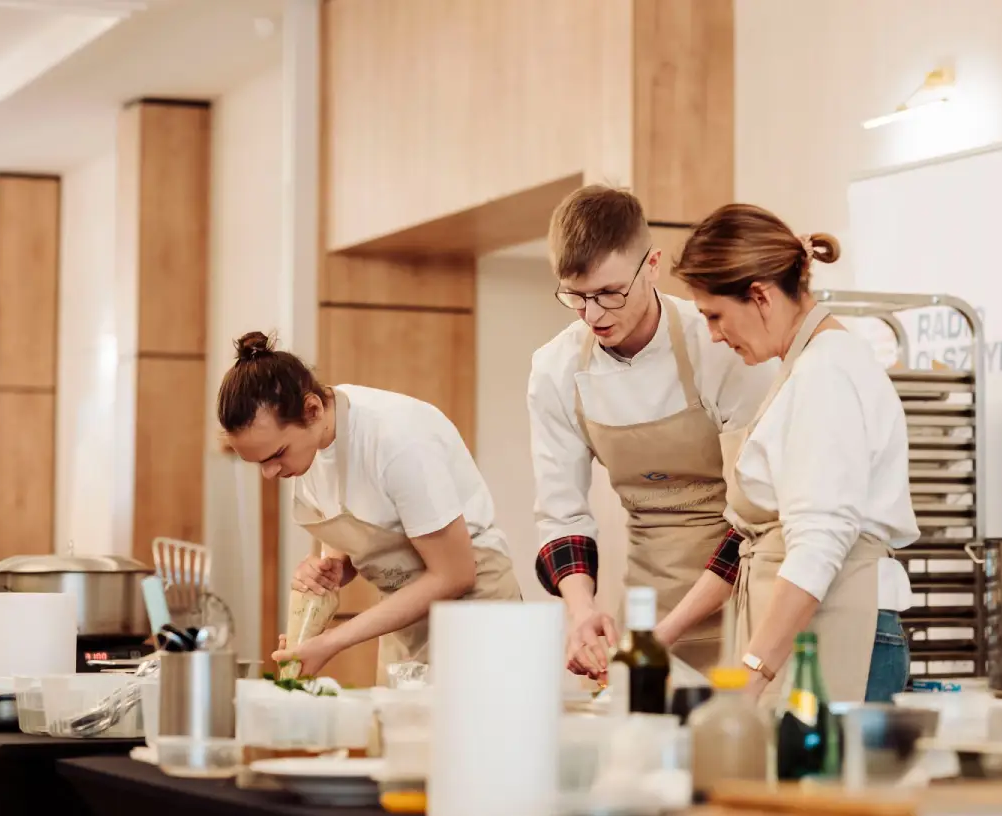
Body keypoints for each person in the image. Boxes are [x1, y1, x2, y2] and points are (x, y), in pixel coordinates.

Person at [652, 203, 918, 704]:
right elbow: (748, 538)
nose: (713, 334)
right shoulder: (807, 368)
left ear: (759, 296)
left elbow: (819, 540)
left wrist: (754, 672)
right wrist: (663, 634)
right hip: (805, 626)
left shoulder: (825, 376)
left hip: (838, 625)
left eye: (715, 315)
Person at [527, 186, 777, 677]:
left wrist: (669, 631)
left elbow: (758, 515)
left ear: (653, 264)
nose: (593, 314)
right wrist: (582, 613)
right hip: (647, 605)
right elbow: (561, 513)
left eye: (609, 293)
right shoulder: (555, 368)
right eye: (575, 297)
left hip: (745, 597)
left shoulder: (720, 345)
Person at [217, 332, 521, 680]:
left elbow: (454, 574)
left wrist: (333, 642)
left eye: (276, 456)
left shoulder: (396, 440)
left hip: (476, 613)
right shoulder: (307, 450)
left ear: (313, 409)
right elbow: (358, 535)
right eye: (259, 463)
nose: (270, 474)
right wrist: (330, 569)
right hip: (406, 620)